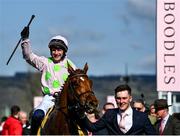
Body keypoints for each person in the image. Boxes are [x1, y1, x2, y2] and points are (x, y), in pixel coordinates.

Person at [20, 27, 76, 134]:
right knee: (37, 115)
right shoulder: (45, 62)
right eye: (53, 50)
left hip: (67, 101)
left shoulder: (71, 65)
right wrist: (25, 39)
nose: (56, 53)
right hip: (49, 99)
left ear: (64, 51)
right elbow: (28, 56)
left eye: (59, 50)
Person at [80, 84, 156, 135]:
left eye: (124, 98)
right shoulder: (110, 114)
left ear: (130, 98)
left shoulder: (142, 117)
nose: (121, 101)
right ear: (115, 99)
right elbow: (93, 127)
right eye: (118, 98)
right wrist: (81, 115)